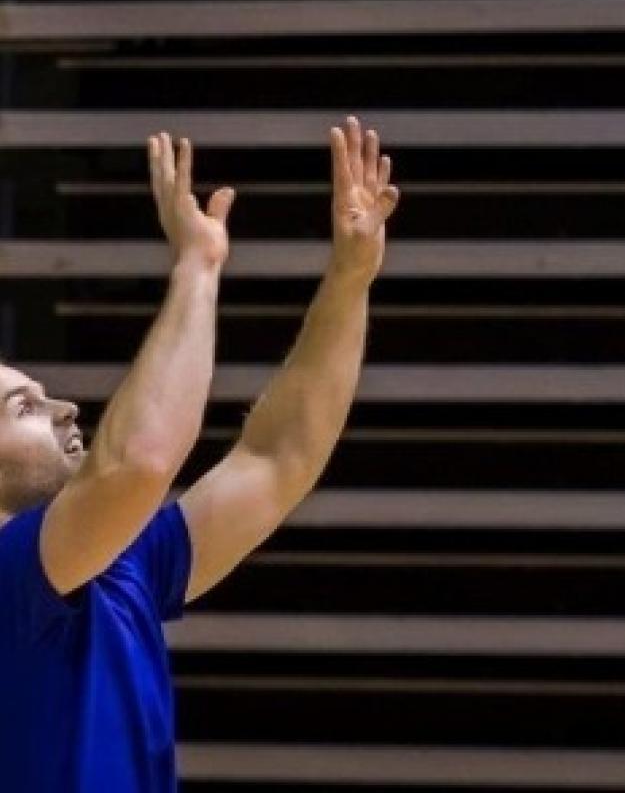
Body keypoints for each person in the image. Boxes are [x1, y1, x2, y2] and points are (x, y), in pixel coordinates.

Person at [0, 116, 399, 792]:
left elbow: (277, 457)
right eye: (23, 408)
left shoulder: (118, 562)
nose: (64, 408)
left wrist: (350, 277)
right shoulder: (10, 575)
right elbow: (142, 461)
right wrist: (197, 265)